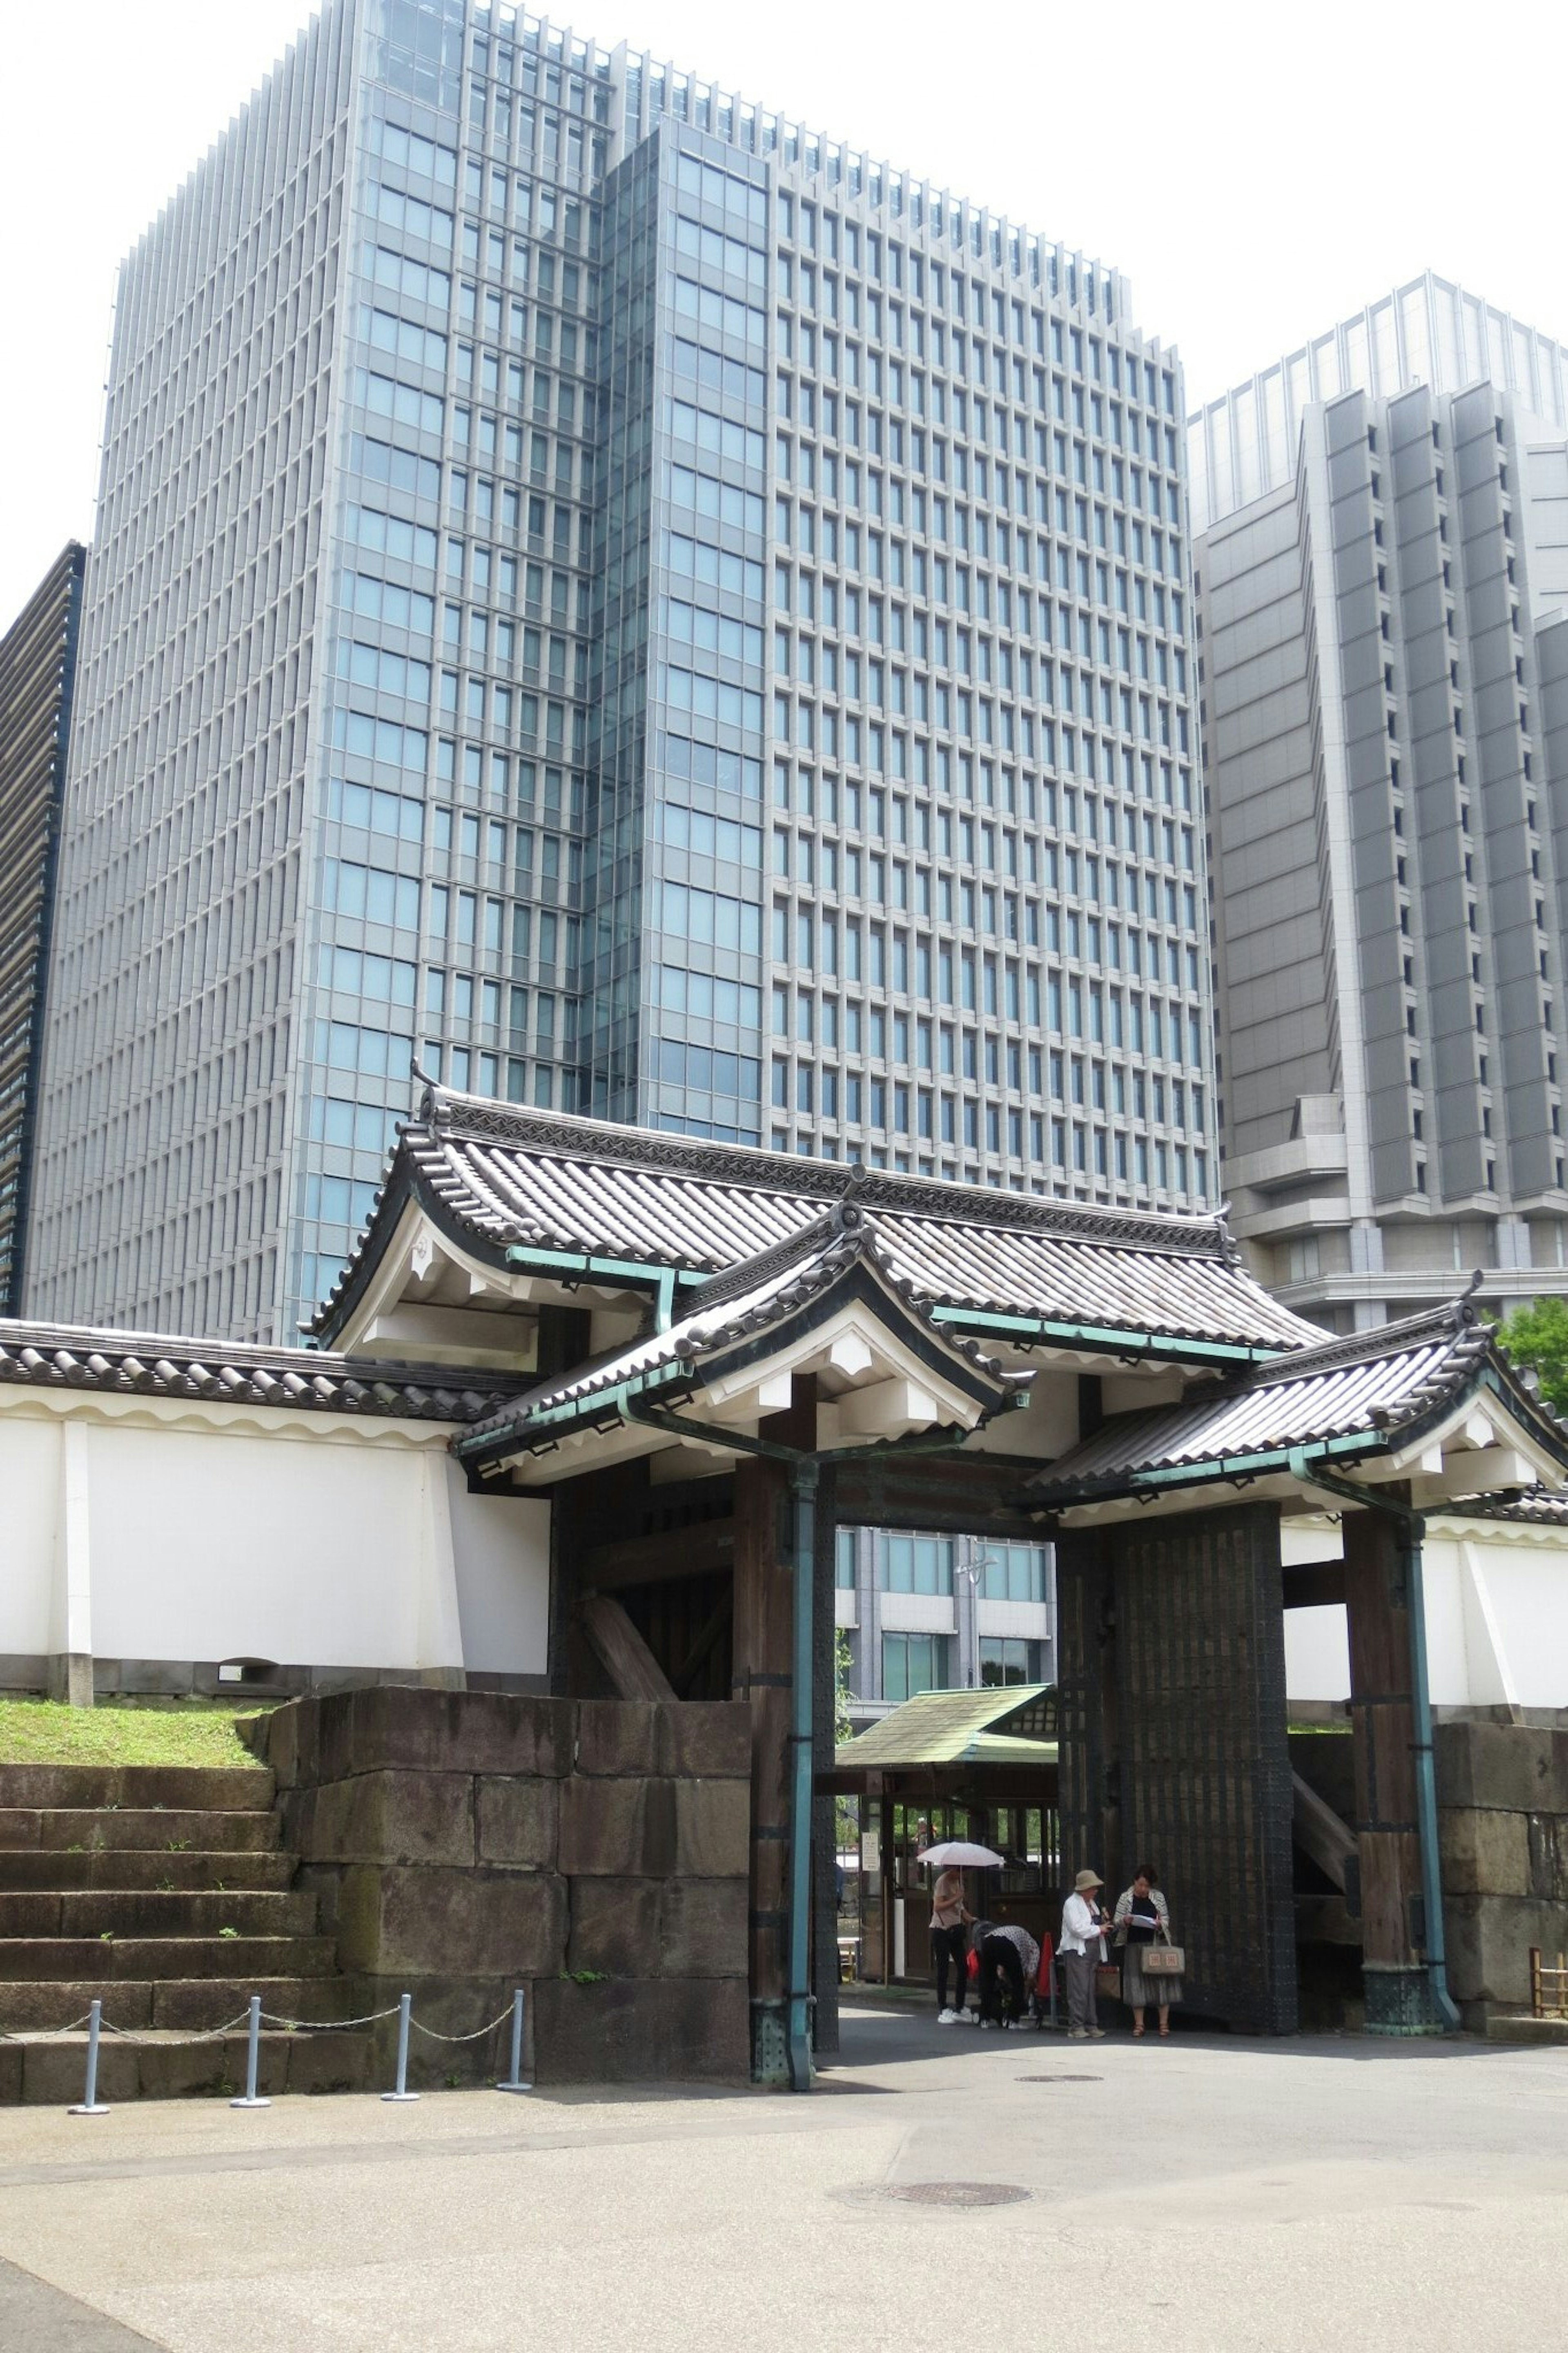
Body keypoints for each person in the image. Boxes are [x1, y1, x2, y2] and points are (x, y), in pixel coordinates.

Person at [1114, 1863, 1181, 2038]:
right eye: (1140, 1885)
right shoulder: (1126, 1898)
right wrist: (1126, 1920)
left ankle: (1164, 2024)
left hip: (1155, 1945)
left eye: (1147, 1886)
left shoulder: (1158, 1897)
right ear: (1135, 1882)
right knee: (1136, 1984)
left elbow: (1166, 1919)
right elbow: (1117, 1921)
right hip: (1134, 1944)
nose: (1143, 1889)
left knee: (1161, 1983)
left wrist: (1160, 1924)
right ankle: (1139, 2024)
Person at [1060, 1867, 1110, 2041]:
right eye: (1093, 1888)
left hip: (1092, 1948)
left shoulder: (1092, 1904)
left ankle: (1091, 2024)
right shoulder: (1071, 1904)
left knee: (1090, 1989)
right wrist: (1099, 1929)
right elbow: (1077, 1928)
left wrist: (1104, 1924)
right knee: (1079, 1989)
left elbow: (1092, 1924)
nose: (1095, 1891)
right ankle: (1077, 2026)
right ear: (1083, 1889)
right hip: (1078, 1950)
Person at [972, 1918, 1042, 2031]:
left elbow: (1004, 1968)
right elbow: (1029, 1976)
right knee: (1018, 1984)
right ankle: (1013, 2020)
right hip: (1007, 1945)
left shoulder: (1019, 1933)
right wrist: (1030, 1989)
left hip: (987, 1942)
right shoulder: (1034, 1947)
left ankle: (984, 2019)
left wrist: (1003, 1975)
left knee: (988, 1982)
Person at [930, 1863, 973, 2023]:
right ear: (953, 1870)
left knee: (963, 1967)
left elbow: (960, 1908)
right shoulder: (943, 1881)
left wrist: (971, 1920)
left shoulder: (959, 1882)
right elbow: (938, 1906)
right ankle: (943, 2008)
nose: (963, 1875)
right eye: (961, 1872)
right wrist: (957, 1897)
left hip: (955, 1929)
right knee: (943, 1970)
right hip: (941, 1930)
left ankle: (960, 2006)